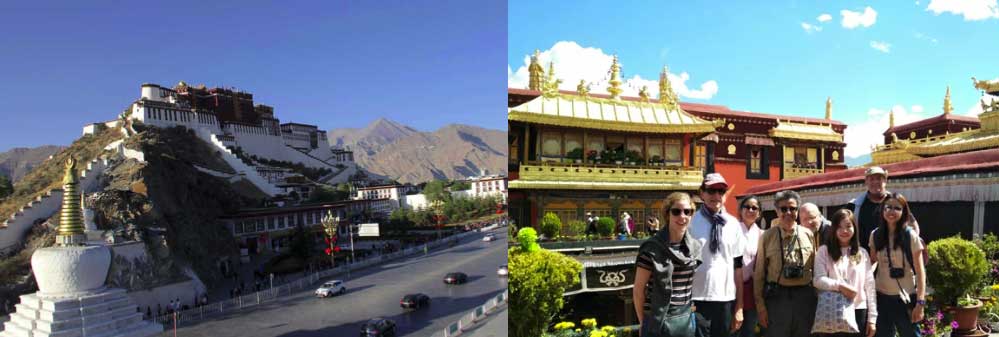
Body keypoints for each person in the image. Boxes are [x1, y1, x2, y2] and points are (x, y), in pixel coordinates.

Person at [633, 192, 703, 337]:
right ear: (667, 214)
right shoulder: (652, 248)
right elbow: (639, 290)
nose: (682, 216)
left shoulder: (694, 247)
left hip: (685, 319)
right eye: (676, 211)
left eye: (687, 212)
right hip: (657, 321)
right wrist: (643, 322)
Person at [754, 190, 817, 337]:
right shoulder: (767, 236)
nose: (788, 212)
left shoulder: (808, 234)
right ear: (777, 211)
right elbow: (759, 274)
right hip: (777, 298)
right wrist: (761, 307)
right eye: (783, 209)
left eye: (793, 208)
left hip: (804, 298)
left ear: (798, 211)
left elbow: (815, 268)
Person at [689, 173, 745, 337]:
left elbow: (738, 267)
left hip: (725, 297)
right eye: (711, 191)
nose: (716, 195)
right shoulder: (690, 222)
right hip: (697, 298)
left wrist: (739, 307)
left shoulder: (733, 224)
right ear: (702, 193)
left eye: (721, 191)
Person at [813, 209, 877, 337]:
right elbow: (818, 280)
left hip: (858, 309)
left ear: (855, 228)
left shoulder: (862, 253)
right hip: (832, 308)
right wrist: (840, 286)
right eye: (839, 227)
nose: (844, 231)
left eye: (848, 226)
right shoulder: (824, 251)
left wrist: (872, 319)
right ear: (833, 229)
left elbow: (870, 286)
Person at [869, 193, 925, 337]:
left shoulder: (910, 235)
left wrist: (920, 302)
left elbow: (920, 271)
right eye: (888, 207)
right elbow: (872, 263)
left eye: (897, 208)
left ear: (903, 212)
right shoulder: (875, 235)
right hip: (881, 297)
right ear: (882, 210)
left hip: (905, 297)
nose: (892, 211)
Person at [735, 195, 763, 337]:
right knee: (732, 328)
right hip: (733, 287)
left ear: (759, 213)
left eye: (754, 208)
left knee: (749, 329)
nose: (750, 210)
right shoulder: (731, 231)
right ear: (740, 210)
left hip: (753, 288)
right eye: (747, 207)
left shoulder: (763, 235)